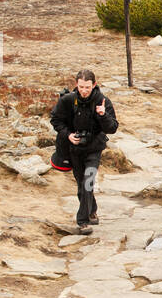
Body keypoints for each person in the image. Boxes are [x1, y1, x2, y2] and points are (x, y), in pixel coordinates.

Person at [49, 70, 118, 233]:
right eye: (81, 87)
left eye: (87, 87)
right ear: (76, 85)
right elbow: (55, 120)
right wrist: (68, 135)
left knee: (88, 182)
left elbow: (113, 128)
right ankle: (92, 210)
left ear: (94, 85)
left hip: (94, 148)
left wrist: (103, 115)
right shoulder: (68, 100)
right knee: (82, 185)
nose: (84, 90)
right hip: (75, 148)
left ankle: (83, 221)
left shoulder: (103, 101)